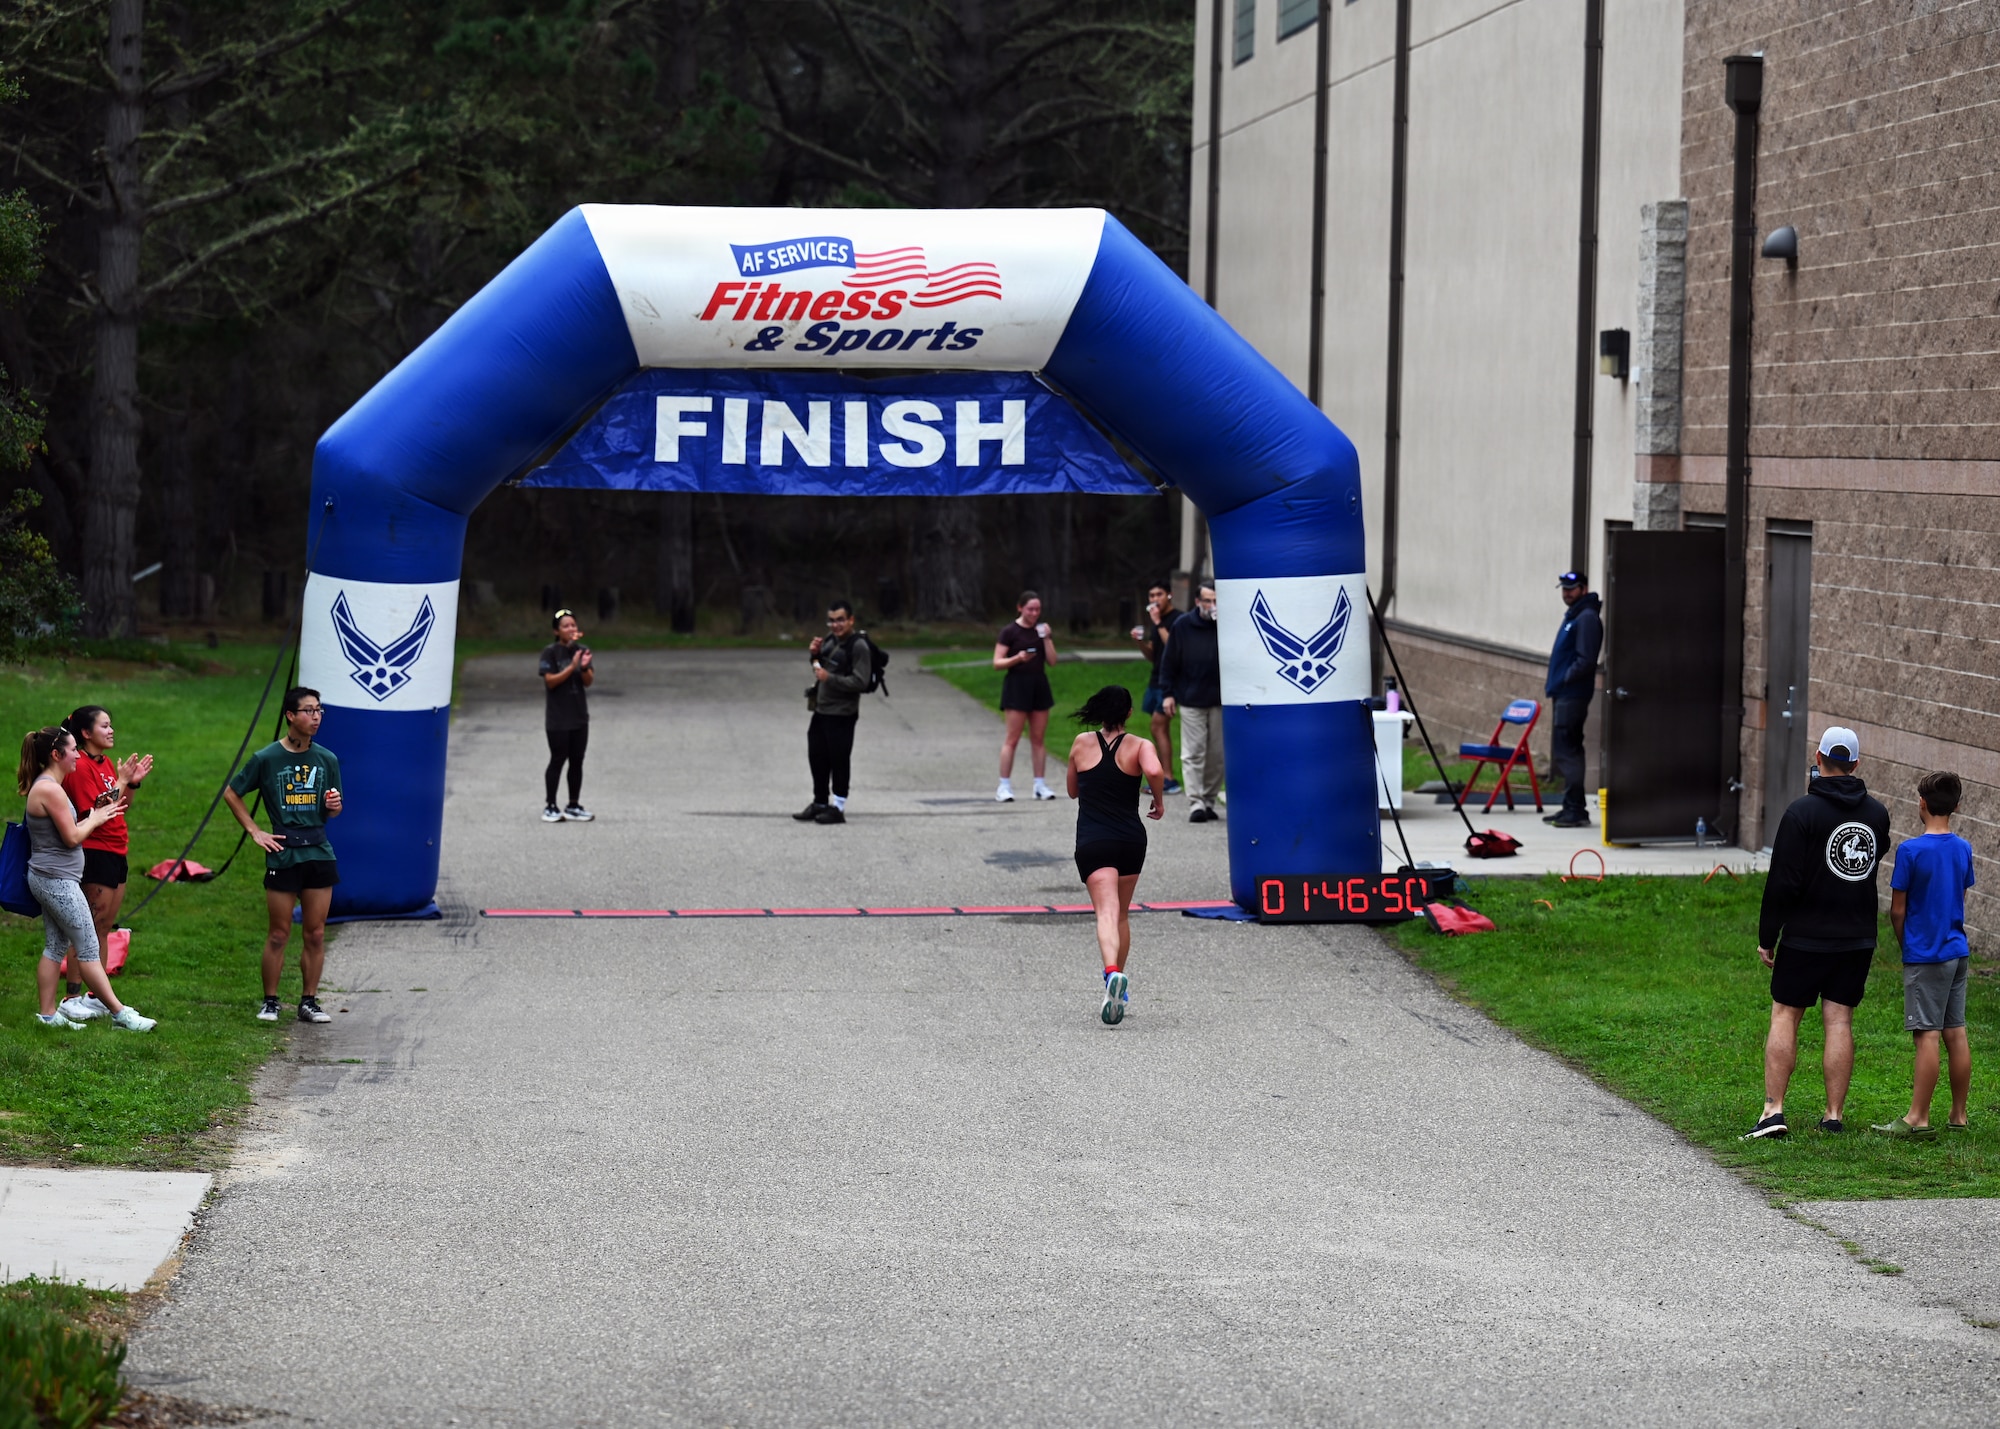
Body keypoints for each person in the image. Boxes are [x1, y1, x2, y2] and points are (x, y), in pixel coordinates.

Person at [1745, 727, 1891, 1139]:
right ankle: (1833, 1115)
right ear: (1856, 765)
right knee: (1839, 1020)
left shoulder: (1801, 813)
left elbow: (1782, 883)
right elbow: (1874, 854)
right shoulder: (1877, 814)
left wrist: (1767, 936)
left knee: (1786, 1015)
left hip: (1806, 936)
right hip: (1857, 936)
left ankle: (1773, 1112)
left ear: (1818, 757)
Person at [16, 727, 155, 1031]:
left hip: (51, 877)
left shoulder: (51, 785)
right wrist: (96, 818)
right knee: (89, 949)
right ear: (57, 755)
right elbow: (72, 837)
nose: (78, 754)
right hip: (57, 882)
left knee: (54, 946)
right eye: (73, 749)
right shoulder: (50, 789)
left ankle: (48, 1015)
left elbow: (68, 828)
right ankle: (121, 1014)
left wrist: (99, 807)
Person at [223, 687, 344, 1024]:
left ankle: (309, 1001)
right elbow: (232, 793)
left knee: (316, 932)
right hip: (283, 852)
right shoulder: (267, 758)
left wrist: (334, 807)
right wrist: (254, 830)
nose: (316, 717)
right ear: (290, 716)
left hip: (318, 851)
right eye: (308, 711)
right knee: (278, 933)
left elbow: (334, 808)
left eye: (319, 710)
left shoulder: (327, 759)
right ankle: (271, 1001)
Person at [1873, 770, 1975, 1138]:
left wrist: (1908, 945)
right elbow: (1961, 898)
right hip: (1956, 951)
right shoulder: (1963, 848)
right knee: (1956, 1032)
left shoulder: (1910, 851)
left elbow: (1897, 910)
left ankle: (1918, 1118)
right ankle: (1958, 1116)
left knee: (1927, 1036)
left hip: (1926, 955)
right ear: (1957, 806)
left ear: (1921, 803)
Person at [1066, 685, 1166, 1026]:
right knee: (1122, 914)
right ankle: (1118, 987)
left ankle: (1111, 974)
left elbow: (1071, 790)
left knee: (1105, 914)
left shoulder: (1081, 743)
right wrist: (1158, 799)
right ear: (1128, 713)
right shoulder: (1140, 746)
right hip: (1130, 840)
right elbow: (1154, 771)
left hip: (1094, 841)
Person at [55, 705, 152, 1021]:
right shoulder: (80, 766)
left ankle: (96, 996)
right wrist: (122, 782)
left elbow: (120, 805)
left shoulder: (106, 762)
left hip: (116, 849)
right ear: (86, 733)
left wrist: (130, 783)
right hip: (95, 851)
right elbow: (93, 810)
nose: (111, 731)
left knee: (104, 927)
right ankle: (71, 997)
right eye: (105, 726)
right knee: (85, 926)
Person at [793, 599, 875, 826]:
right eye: (831, 620)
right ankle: (820, 803)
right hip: (822, 709)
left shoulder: (858, 647)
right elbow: (820, 670)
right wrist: (815, 655)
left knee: (839, 760)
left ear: (851, 620)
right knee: (817, 757)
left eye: (840, 620)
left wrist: (831, 678)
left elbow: (860, 681)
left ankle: (838, 808)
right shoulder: (830, 641)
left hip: (842, 713)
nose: (835, 625)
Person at [1541, 570, 1603, 829]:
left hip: (1573, 694)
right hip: (1564, 693)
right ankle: (1571, 806)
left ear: (1584, 589)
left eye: (1572, 588)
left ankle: (1575, 809)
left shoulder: (1587, 617)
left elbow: (1586, 660)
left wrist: (1566, 678)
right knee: (1565, 751)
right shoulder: (1575, 614)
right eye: (1564, 588)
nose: (1567, 593)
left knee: (1569, 752)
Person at [1159, 584, 1223, 823]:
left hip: (1219, 700)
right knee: (1194, 753)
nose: (1212, 606)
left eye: (1215, 600)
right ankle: (1195, 802)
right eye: (1207, 601)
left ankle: (1209, 799)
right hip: (1191, 698)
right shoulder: (1183, 625)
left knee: (1217, 756)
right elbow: (1170, 661)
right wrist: (1168, 693)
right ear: (1198, 602)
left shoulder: (1227, 624)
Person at [993, 591, 1059, 803]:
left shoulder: (1041, 631)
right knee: (1012, 738)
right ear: (1020, 608)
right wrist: (1018, 658)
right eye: (1030, 609)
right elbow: (997, 662)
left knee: (1038, 738)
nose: (1034, 613)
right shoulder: (1009, 632)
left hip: (1038, 684)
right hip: (1017, 685)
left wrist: (1047, 637)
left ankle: (1039, 784)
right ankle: (1004, 785)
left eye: (1037, 609)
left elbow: (1052, 661)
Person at [539, 609, 594, 822]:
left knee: (577, 761)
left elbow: (588, 682)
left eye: (573, 625)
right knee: (558, 759)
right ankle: (550, 805)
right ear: (556, 630)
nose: (571, 629)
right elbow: (550, 681)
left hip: (579, 716)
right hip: (558, 718)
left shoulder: (582, 650)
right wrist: (572, 667)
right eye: (565, 626)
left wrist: (585, 666)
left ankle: (573, 804)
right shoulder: (550, 653)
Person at [1129, 581, 1182, 795]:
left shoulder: (1178, 619)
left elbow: (1174, 647)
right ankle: (1163, 777)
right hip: (1156, 678)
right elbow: (1154, 655)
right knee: (1159, 728)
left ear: (1168, 595)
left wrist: (1159, 622)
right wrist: (1140, 642)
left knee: (1158, 726)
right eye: (1151, 596)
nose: (1154, 599)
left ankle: (1168, 778)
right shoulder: (1155, 621)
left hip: (1171, 681)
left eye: (1159, 594)